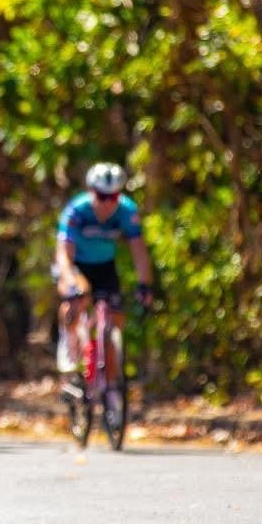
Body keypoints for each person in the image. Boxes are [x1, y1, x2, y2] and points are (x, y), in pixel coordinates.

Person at [53, 163, 153, 381]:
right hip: (76, 264)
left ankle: (109, 391)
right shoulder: (76, 211)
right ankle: (68, 339)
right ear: (91, 192)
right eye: (101, 196)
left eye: (113, 197)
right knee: (76, 298)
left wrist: (144, 284)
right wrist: (70, 283)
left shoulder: (127, 211)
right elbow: (63, 255)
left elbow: (139, 251)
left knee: (115, 318)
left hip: (105, 266)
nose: (108, 203)